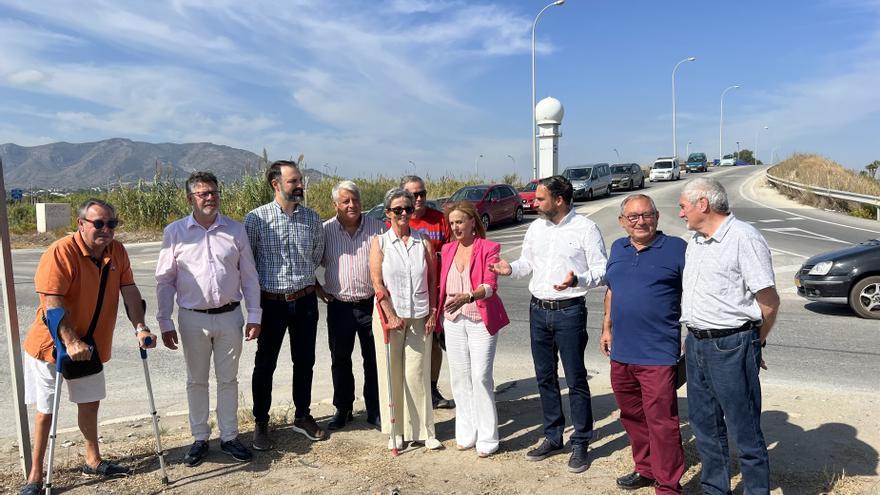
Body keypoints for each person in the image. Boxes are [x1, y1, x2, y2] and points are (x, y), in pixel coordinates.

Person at [20, 199, 156, 495]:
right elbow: (51, 303)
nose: (106, 230)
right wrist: (70, 341)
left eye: (112, 224)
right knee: (46, 411)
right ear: (81, 224)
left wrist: (140, 326)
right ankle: (35, 475)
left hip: (91, 344)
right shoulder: (61, 252)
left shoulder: (117, 251)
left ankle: (92, 460)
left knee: (90, 402)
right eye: (99, 223)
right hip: (51, 344)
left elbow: (129, 290)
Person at [490, 175, 607, 474]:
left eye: (540, 198)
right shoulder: (536, 228)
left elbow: (601, 270)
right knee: (545, 376)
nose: (534, 202)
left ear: (559, 200)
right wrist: (509, 268)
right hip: (537, 310)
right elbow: (527, 264)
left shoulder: (585, 228)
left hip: (569, 311)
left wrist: (577, 279)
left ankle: (581, 440)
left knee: (575, 378)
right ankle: (553, 436)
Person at [677, 177, 780, 495]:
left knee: (744, 428)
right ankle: (714, 490)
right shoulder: (696, 241)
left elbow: (770, 302)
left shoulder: (743, 238)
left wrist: (754, 342)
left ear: (702, 204)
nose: (681, 214)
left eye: (683, 206)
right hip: (696, 343)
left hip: (731, 345)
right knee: (704, 426)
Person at [155, 171, 262, 466]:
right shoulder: (174, 233)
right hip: (193, 319)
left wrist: (255, 314)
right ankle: (200, 438)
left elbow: (249, 276)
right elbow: (165, 281)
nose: (210, 198)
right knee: (197, 381)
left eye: (214, 192)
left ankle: (229, 437)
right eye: (203, 194)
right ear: (190, 198)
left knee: (228, 379)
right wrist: (164, 321)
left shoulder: (235, 230)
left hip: (230, 317)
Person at [600, 194, 686, 493]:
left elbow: (698, 291)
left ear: (657, 216)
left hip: (658, 353)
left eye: (646, 215)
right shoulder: (618, 247)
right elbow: (612, 289)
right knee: (633, 417)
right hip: (621, 352)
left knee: (662, 422)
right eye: (633, 217)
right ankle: (646, 469)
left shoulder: (677, 249)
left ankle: (668, 485)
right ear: (622, 222)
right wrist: (606, 327)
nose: (640, 221)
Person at [245, 159, 325, 450]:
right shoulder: (256, 219)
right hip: (272, 304)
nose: (300, 185)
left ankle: (302, 416)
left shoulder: (312, 218)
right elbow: (249, 264)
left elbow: (316, 255)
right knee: (265, 365)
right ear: (275, 184)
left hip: (304, 301)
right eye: (293, 181)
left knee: (305, 362)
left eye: (300, 180)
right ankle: (261, 423)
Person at [368, 187, 441, 450]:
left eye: (407, 209)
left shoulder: (423, 242)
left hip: (420, 316)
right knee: (391, 372)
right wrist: (390, 314)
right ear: (387, 213)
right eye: (397, 209)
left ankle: (424, 430)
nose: (403, 214)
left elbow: (432, 280)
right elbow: (377, 283)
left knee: (417, 373)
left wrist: (433, 312)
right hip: (391, 319)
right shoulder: (380, 242)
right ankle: (395, 429)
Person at [437, 201, 509, 457]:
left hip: (481, 320)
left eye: (460, 221)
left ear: (472, 222)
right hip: (453, 321)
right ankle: (467, 432)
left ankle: (488, 437)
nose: (456, 227)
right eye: (452, 222)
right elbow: (441, 286)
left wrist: (468, 296)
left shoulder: (489, 248)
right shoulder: (447, 250)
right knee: (459, 377)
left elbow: (491, 286)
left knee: (480, 377)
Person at [319, 180, 385, 430]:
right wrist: (318, 289)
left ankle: (375, 409)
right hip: (339, 307)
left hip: (371, 305)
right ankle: (343, 408)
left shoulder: (378, 230)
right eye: (345, 201)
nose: (352, 205)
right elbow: (309, 261)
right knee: (340, 359)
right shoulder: (325, 231)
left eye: (355, 200)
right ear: (335, 204)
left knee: (373, 359)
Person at [400, 175, 453, 409]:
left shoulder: (440, 220)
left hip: (437, 293)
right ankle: (409, 393)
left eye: (422, 193)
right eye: (413, 194)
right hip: (407, 296)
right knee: (409, 345)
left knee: (433, 343)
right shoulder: (398, 220)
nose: (419, 198)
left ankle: (432, 390)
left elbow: (453, 251)